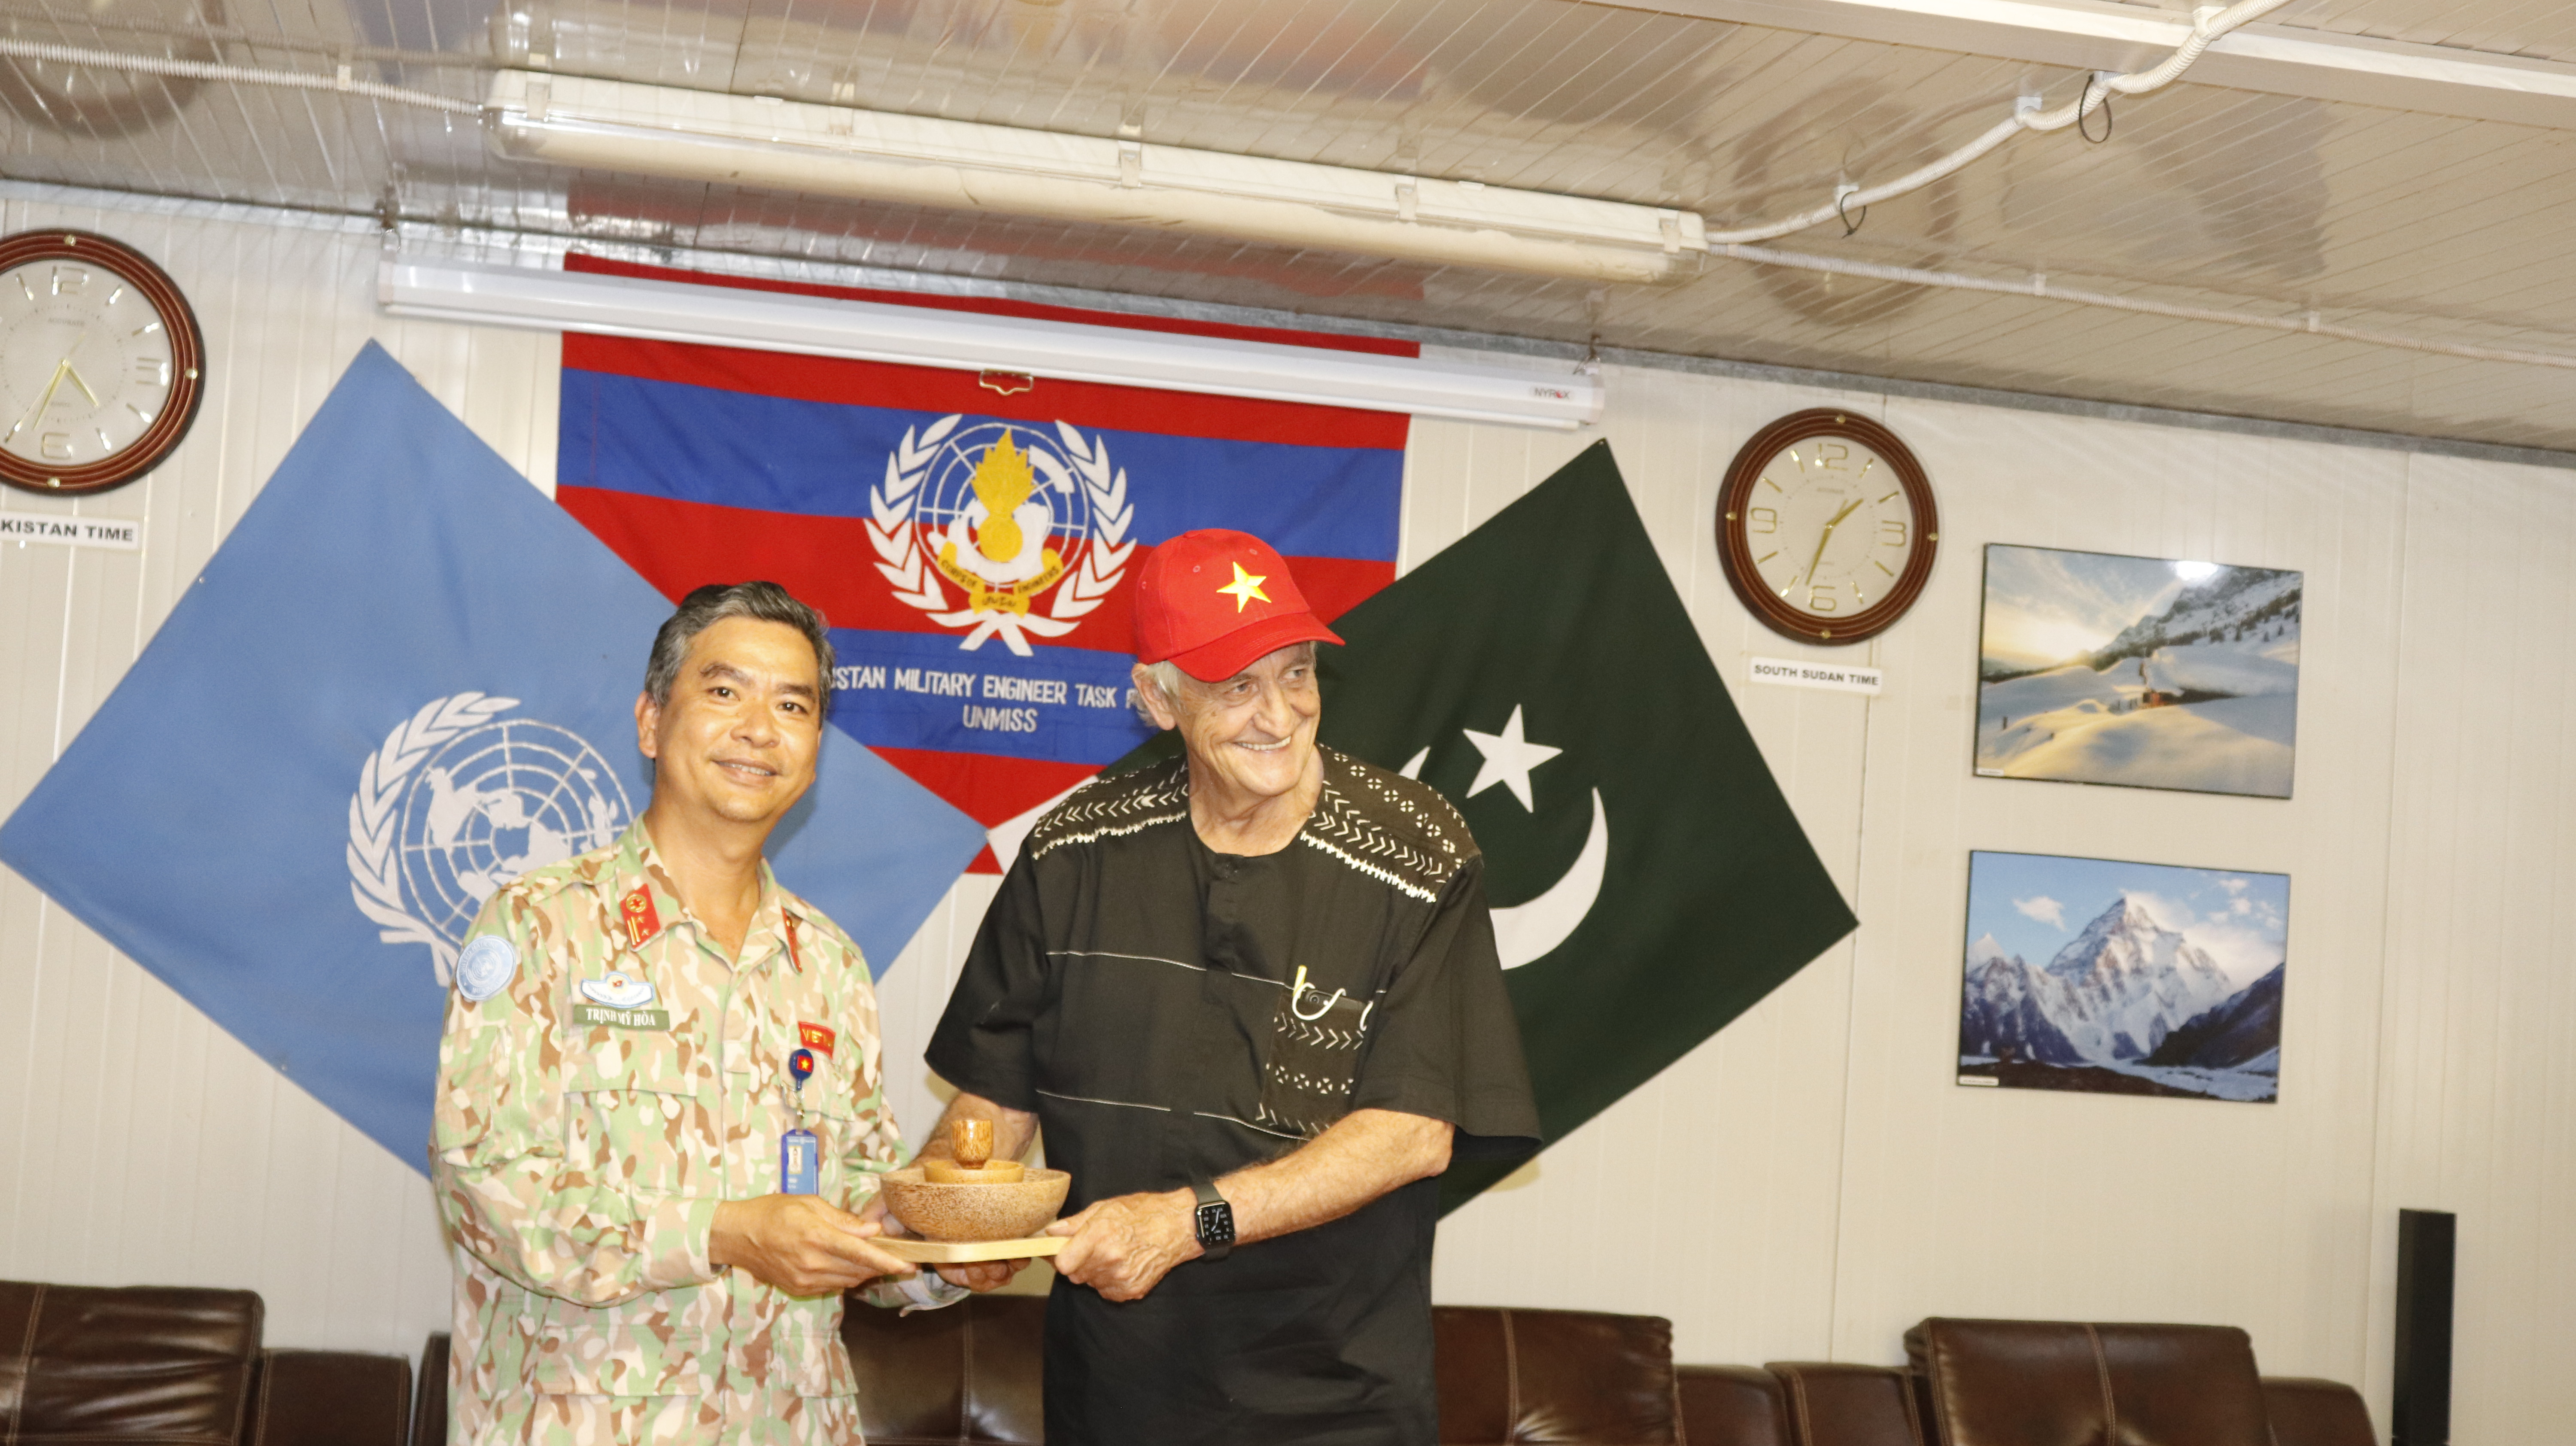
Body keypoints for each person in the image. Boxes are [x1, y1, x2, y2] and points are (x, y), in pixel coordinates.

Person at [923, 529, 1541, 1445]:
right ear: (1156, 697)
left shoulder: (1420, 854)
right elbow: (993, 1106)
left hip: (1337, 1404)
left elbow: (1413, 1132)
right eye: (1236, 685)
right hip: (1114, 1397)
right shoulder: (1071, 855)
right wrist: (950, 1225)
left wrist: (1191, 1220)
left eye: (1296, 674)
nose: (1280, 715)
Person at [431, 581, 972, 1446]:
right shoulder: (543, 922)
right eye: (725, 691)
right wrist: (723, 1232)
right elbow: (485, 1185)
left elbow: (855, 1206)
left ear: (815, 750)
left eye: (792, 704)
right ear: (651, 722)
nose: (759, 727)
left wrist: (947, 1254)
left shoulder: (827, 962)